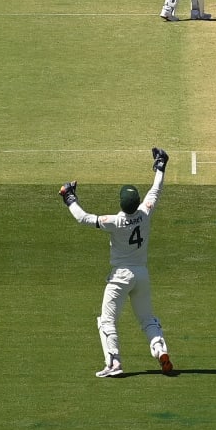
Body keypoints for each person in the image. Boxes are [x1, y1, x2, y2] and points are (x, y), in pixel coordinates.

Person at [58, 148, 175, 378]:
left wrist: (68, 197)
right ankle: (160, 350)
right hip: (141, 274)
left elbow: (83, 218)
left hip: (120, 276)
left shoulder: (114, 221)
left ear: (121, 204)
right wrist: (160, 164)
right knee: (147, 319)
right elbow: (156, 189)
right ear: (137, 202)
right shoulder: (146, 211)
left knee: (106, 320)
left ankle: (113, 363)